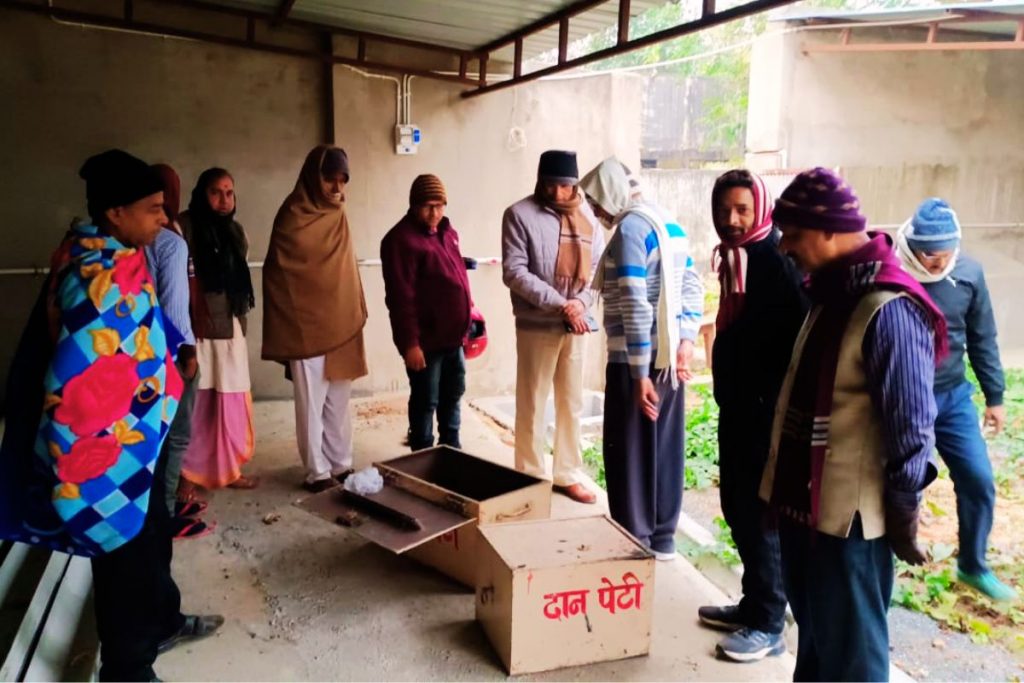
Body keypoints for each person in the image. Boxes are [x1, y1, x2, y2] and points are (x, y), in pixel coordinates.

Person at [0, 149, 222, 681]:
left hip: (139, 445)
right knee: (122, 560)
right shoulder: (90, 275)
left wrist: (171, 357)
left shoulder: (119, 257)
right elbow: (78, 384)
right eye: (152, 209)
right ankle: (128, 669)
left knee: (151, 541)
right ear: (115, 213)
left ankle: (162, 620)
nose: (164, 220)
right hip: (109, 460)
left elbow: (138, 336)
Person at [760, 168, 947, 682]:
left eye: (793, 234)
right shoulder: (832, 295)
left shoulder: (888, 309)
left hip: (850, 525)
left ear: (828, 229)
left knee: (853, 661)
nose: (786, 247)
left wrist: (905, 507)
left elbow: (911, 428)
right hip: (808, 510)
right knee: (818, 648)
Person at [697, 170, 807, 661]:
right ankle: (755, 601)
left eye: (742, 209)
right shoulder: (737, 260)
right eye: (723, 210)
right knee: (738, 506)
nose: (731, 220)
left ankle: (768, 622)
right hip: (740, 407)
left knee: (759, 511)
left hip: (765, 414)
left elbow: (787, 343)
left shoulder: (774, 261)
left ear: (760, 208)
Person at [580, 157, 704, 558]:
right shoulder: (669, 224)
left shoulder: (631, 230)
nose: (596, 212)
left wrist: (638, 375)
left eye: (596, 202)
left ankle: (635, 538)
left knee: (628, 451)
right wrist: (686, 339)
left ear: (613, 194)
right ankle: (663, 537)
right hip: (668, 358)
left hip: (635, 362)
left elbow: (634, 303)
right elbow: (692, 284)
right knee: (665, 446)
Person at [896, 198, 1016, 601]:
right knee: (903, 485)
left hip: (953, 398)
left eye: (946, 253)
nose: (937, 262)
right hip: (903, 400)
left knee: (979, 479)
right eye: (929, 254)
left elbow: (983, 336)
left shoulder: (968, 273)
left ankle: (972, 564)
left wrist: (994, 396)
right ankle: (888, 560)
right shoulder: (893, 272)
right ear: (912, 245)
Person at [501, 150, 605, 504]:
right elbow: (514, 271)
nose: (558, 193)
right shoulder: (519, 215)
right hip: (536, 325)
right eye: (551, 184)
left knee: (570, 401)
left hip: (575, 326)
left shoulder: (589, 217)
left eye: (565, 185)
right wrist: (561, 305)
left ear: (575, 184)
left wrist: (580, 304)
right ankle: (528, 476)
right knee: (531, 401)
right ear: (540, 180)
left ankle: (567, 474)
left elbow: (596, 274)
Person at [263, 145, 368, 493]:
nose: (337, 188)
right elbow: (279, 274)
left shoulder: (338, 214)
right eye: (329, 179)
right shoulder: (292, 215)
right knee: (311, 402)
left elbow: (344, 268)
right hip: (305, 325)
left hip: (341, 322)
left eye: (342, 180)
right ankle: (317, 471)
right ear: (313, 177)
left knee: (339, 399)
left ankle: (340, 463)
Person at [178, 167, 259, 497]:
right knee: (199, 405)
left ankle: (229, 469)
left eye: (229, 192)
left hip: (231, 330)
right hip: (198, 332)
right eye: (215, 192)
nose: (224, 200)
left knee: (230, 404)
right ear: (201, 194)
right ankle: (187, 476)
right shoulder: (183, 228)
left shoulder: (236, 232)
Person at [381, 174, 472, 451]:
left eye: (440, 205)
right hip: (426, 344)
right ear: (413, 206)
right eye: (427, 206)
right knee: (425, 400)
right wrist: (410, 344)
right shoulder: (400, 241)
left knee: (453, 395)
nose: (434, 213)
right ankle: (421, 457)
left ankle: (451, 452)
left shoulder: (447, 233)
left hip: (453, 339)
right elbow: (400, 299)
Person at [147, 163, 212, 539]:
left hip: (146, 349)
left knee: (155, 434)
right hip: (173, 350)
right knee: (176, 434)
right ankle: (165, 513)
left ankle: (161, 505)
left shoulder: (136, 240)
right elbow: (174, 303)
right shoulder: (170, 241)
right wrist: (187, 352)